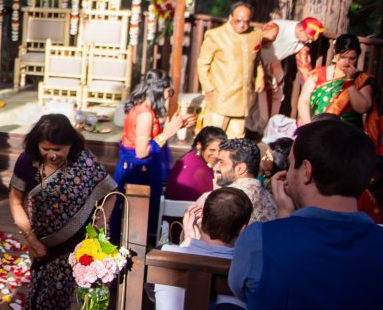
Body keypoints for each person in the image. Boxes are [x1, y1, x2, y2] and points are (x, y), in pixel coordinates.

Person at [229, 119, 383, 310]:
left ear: (307, 171)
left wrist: (285, 218)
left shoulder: (261, 239)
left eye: (293, 165)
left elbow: (241, 291)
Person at [8, 114, 115, 310]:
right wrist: (32, 239)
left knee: (56, 299)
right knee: (39, 296)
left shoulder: (84, 161)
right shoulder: (27, 162)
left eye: (59, 149)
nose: (52, 155)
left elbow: (109, 193)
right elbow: (15, 202)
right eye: (47, 149)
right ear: (37, 145)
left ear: (71, 145)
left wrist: (98, 228)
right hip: (41, 243)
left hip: (75, 246)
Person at [153, 187, 251, 310]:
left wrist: (188, 243)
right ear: (243, 228)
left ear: (202, 218)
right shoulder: (248, 271)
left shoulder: (167, 257)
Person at [113, 69, 195, 243]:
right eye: (168, 92)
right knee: (138, 215)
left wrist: (174, 128)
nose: (168, 97)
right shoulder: (145, 114)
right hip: (137, 171)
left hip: (136, 167)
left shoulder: (144, 110)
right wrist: (167, 134)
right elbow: (141, 152)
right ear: (159, 89)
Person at [196, 2, 265, 138]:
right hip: (220, 97)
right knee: (212, 140)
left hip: (242, 99)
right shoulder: (215, 35)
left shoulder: (256, 35)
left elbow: (257, 59)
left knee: (236, 142)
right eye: (238, 21)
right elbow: (202, 64)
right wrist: (208, 87)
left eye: (246, 21)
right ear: (230, 17)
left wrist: (260, 77)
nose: (242, 25)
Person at [297, 34, 377, 133]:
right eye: (342, 57)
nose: (347, 62)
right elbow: (303, 101)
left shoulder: (362, 79)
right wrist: (309, 127)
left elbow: (362, 108)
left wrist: (350, 83)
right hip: (315, 130)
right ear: (335, 54)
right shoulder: (318, 74)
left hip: (348, 135)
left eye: (352, 58)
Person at [256, 17, 325, 122]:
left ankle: (270, 126)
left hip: (273, 63)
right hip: (256, 63)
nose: (310, 41)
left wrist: (312, 91)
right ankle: (259, 128)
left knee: (278, 95)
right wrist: (260, 72)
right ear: (301, 30)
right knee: (262, 100)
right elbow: (254, 47)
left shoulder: (303, 44)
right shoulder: (275, 29)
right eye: (309, 38)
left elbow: (304, 68)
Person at [210, 138, 278, 223]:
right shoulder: (271, 199)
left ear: (240, 168)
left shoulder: (226, 199)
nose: (216, 167)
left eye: (221, 162)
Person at [165, 126, 227, 201]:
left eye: (220, 151)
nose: (216, 155)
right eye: (212, 150)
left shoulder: (188, 158)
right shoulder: (200, 169)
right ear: (199, 146)